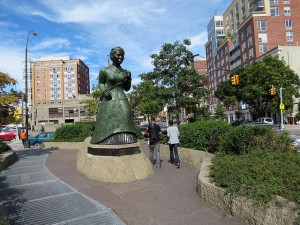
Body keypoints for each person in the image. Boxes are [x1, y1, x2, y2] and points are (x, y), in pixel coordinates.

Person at [90, 47, 137, 145]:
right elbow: (101, 83)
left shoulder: (125, 72)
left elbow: (127, 88)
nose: (121, 57)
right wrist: (104, 91)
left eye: (122, 55)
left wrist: (129, 79)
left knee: (126, 116)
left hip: (121, 97)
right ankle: (105, 140)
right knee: (107, 118)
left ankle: (126, 139)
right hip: (109, 98)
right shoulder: (105, 70)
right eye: (118, 55)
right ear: (112, 56)